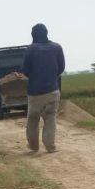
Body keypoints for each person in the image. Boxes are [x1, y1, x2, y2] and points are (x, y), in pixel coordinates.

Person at [22, 23, 65, 153]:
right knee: (50, 117)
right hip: (52, 90)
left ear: (33, 35)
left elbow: (25, 70)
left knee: (33, 119)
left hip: (35, 93)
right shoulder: (57, 47)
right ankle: (50, 146)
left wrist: (36, 77)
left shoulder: (30, 50)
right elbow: (61, 67)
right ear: (47, 33)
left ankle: (34, 146)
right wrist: (51, 76)